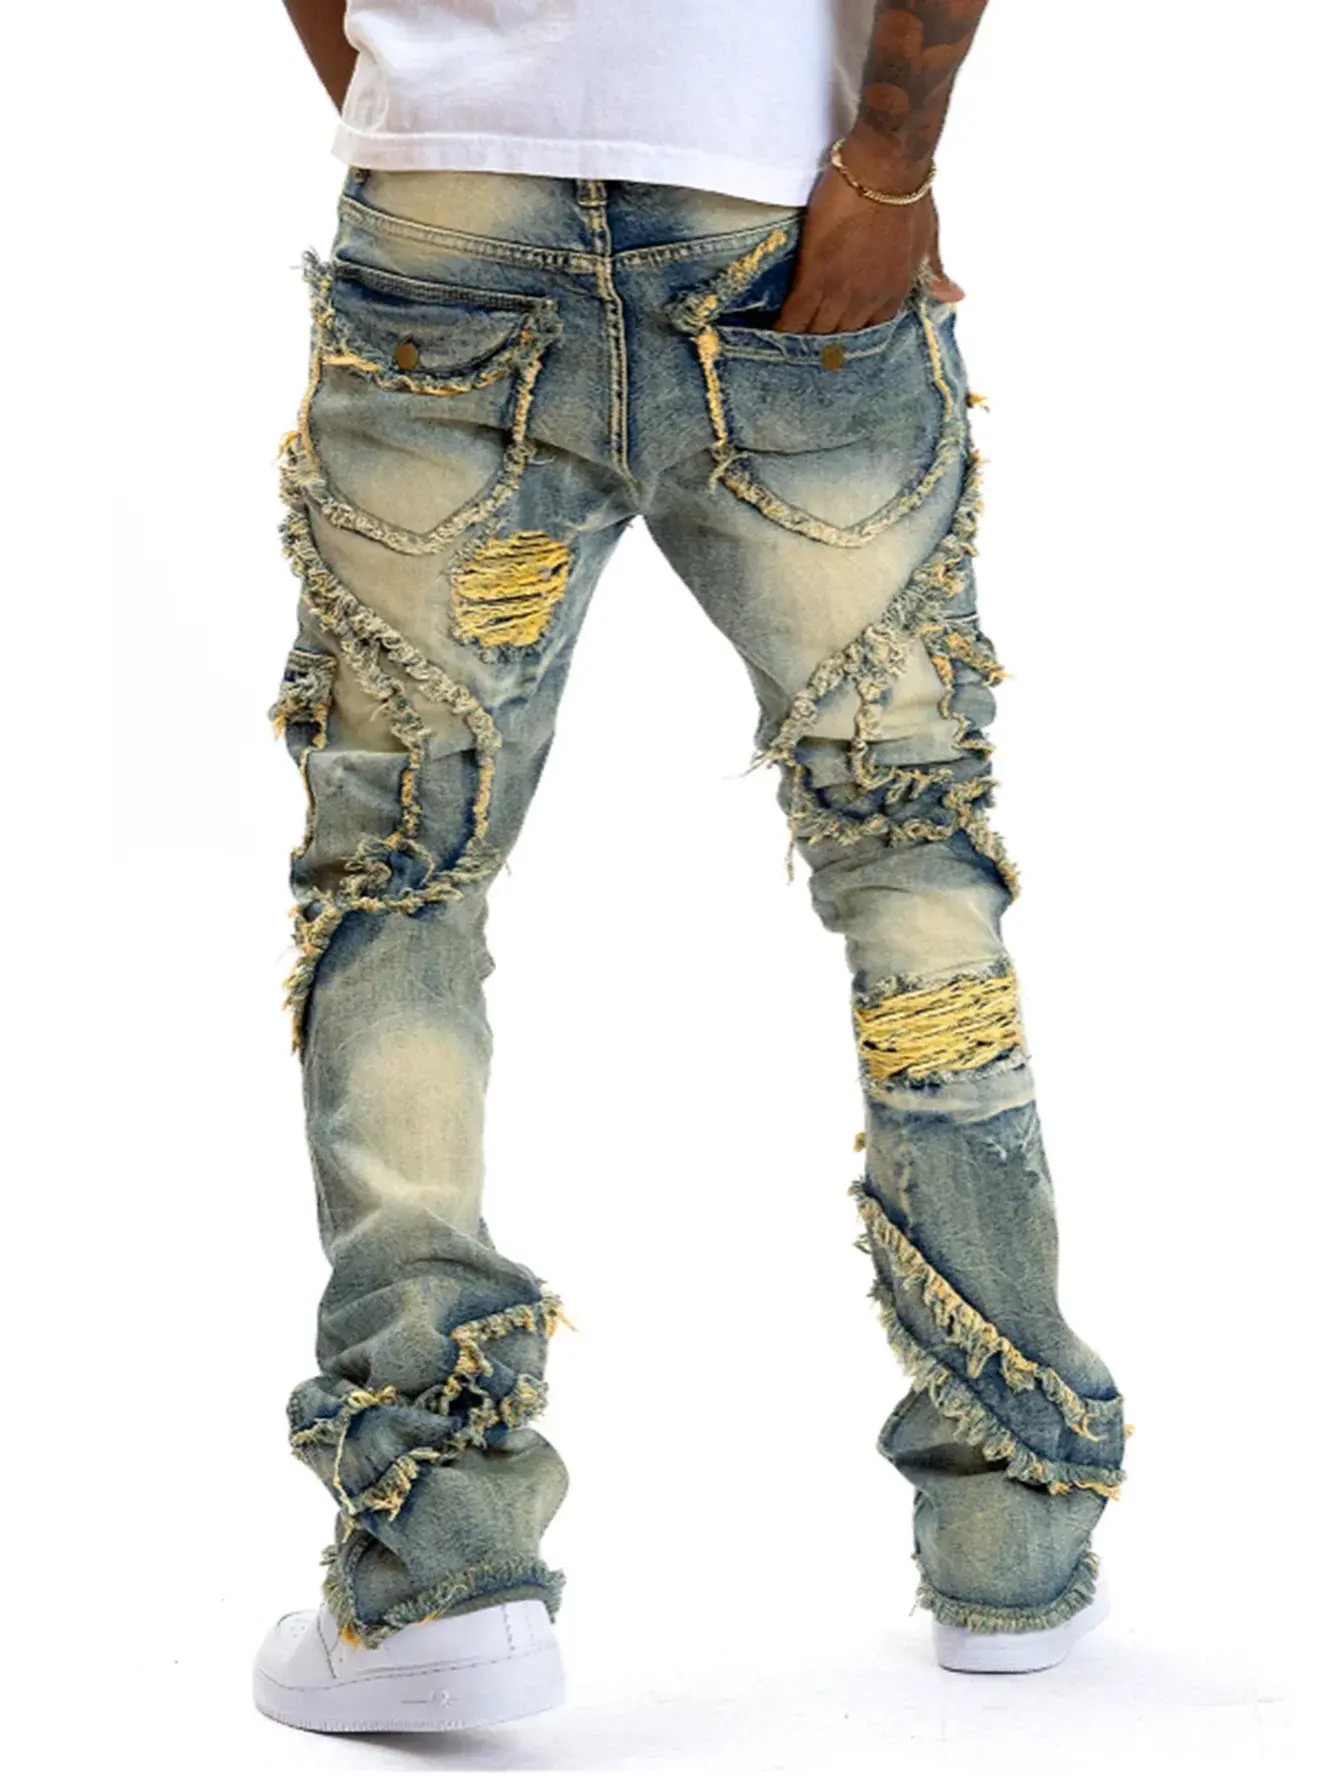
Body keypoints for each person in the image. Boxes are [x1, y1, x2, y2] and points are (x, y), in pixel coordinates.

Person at [253, 0, 1125, 1735]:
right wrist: (890, 161)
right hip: (776, 201)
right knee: (910, 861)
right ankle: (1012, 1535)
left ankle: (440, 1567)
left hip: (450, 222)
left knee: (401, 886)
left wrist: (436, 109)